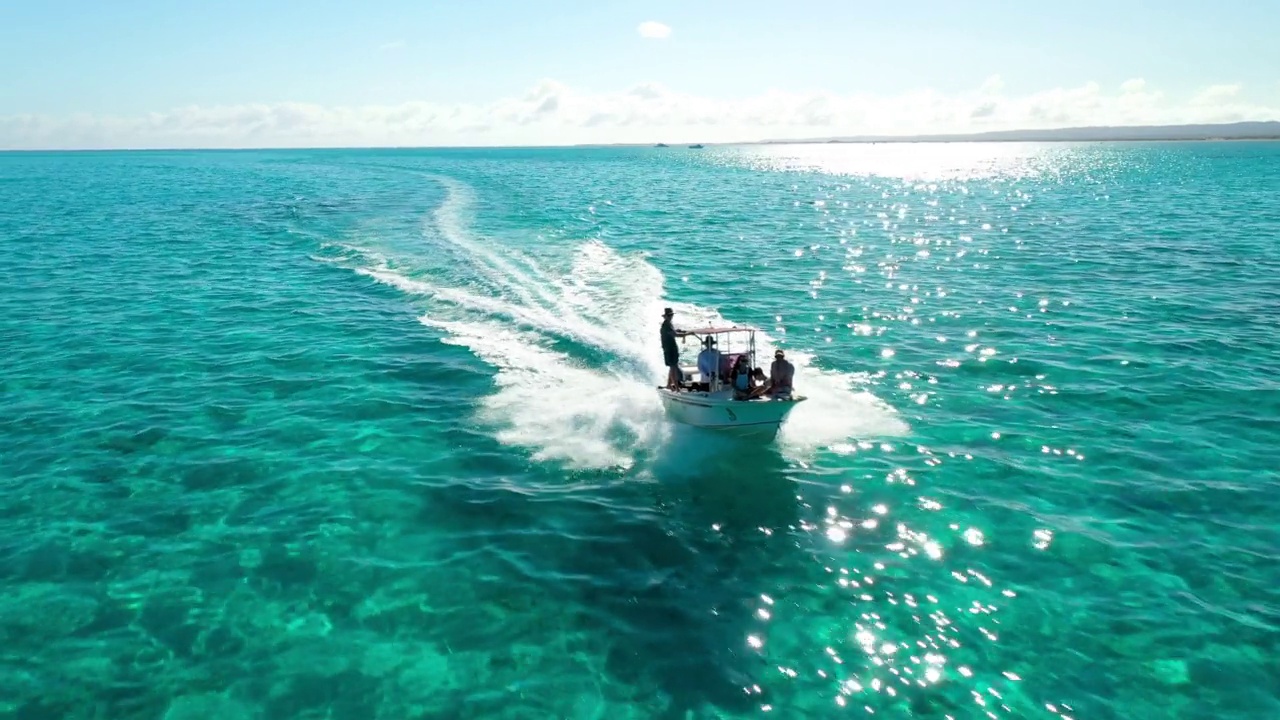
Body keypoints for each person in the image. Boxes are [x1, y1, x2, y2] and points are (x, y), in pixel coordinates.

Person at [660, 307, 689, 390]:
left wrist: (680, 331)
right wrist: (686, 335)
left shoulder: (669, 324)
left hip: (670, 348)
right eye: (669, 315)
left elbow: (674, 332)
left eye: (671, 315)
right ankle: (676, 388)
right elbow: (675, 334)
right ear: (666, 316)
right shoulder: (666, 325)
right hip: (670, 349)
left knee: (673, 366)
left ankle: (669, 384)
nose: (670, 317)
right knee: (673, 367)